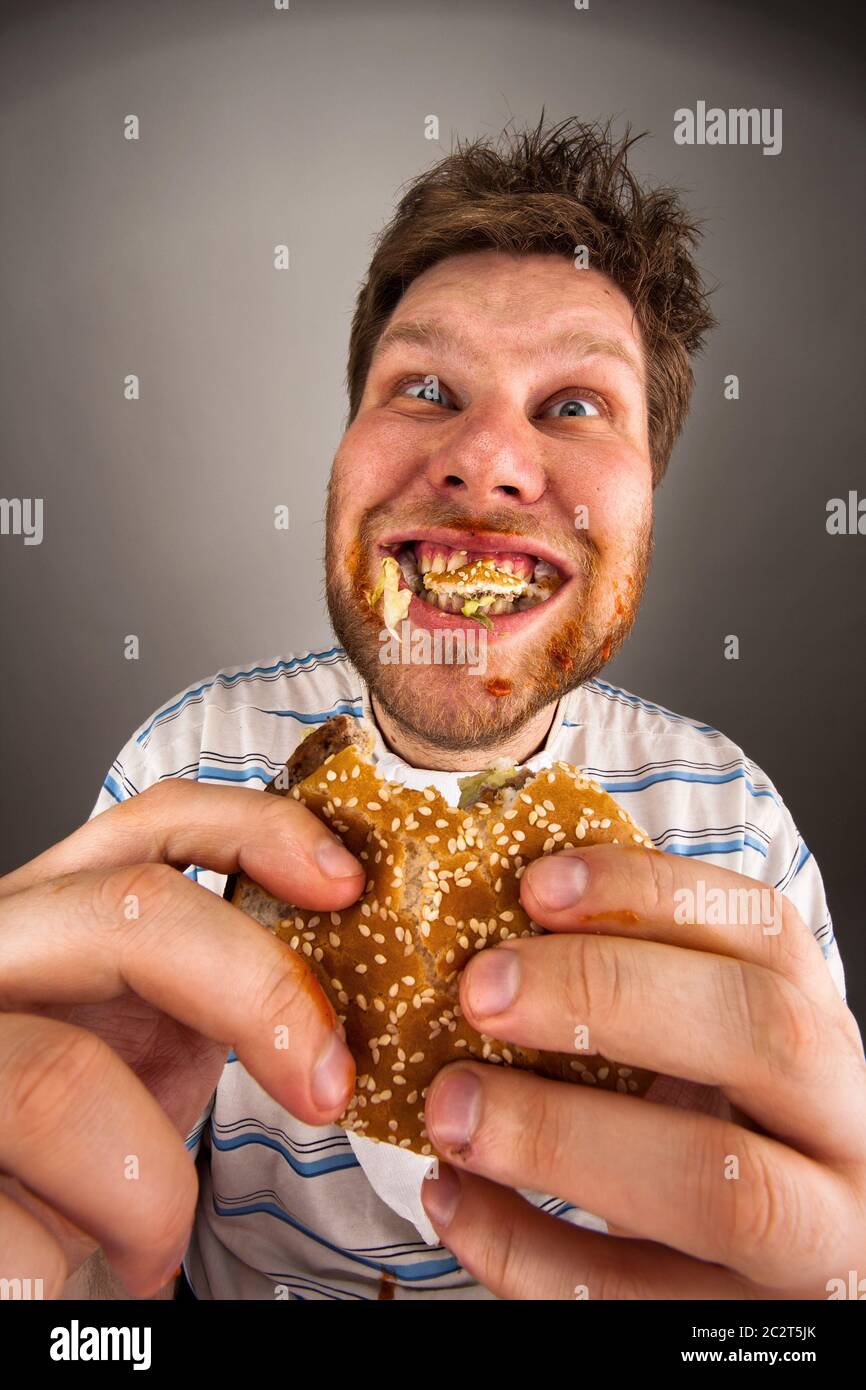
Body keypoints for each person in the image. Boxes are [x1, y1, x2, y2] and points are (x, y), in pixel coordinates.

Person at [2, 118, 863, 1302]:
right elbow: (101, 1261)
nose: (485, 459)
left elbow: (793, 1218)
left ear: (651, 490)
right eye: (423, 386)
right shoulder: (182, 769)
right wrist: (73, 1288)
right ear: (343, 444)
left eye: (572, 406)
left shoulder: (738, 835)